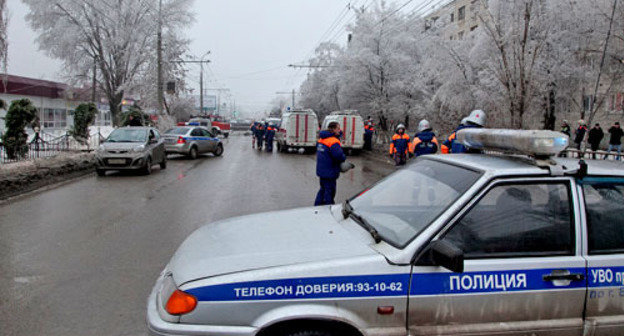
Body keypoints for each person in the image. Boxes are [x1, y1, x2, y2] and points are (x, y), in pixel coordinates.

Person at [315, 122, 346, 206]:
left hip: (322, 171)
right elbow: (338, 156)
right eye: (338, 128)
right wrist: (344, 157)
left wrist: (338, 135)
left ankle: (316, 207)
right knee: (330, 192)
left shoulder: (321, 139)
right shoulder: (333, 141)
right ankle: (328, 209)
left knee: (322, 190)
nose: (340, 130)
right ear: (333, 129)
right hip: (330, 172)